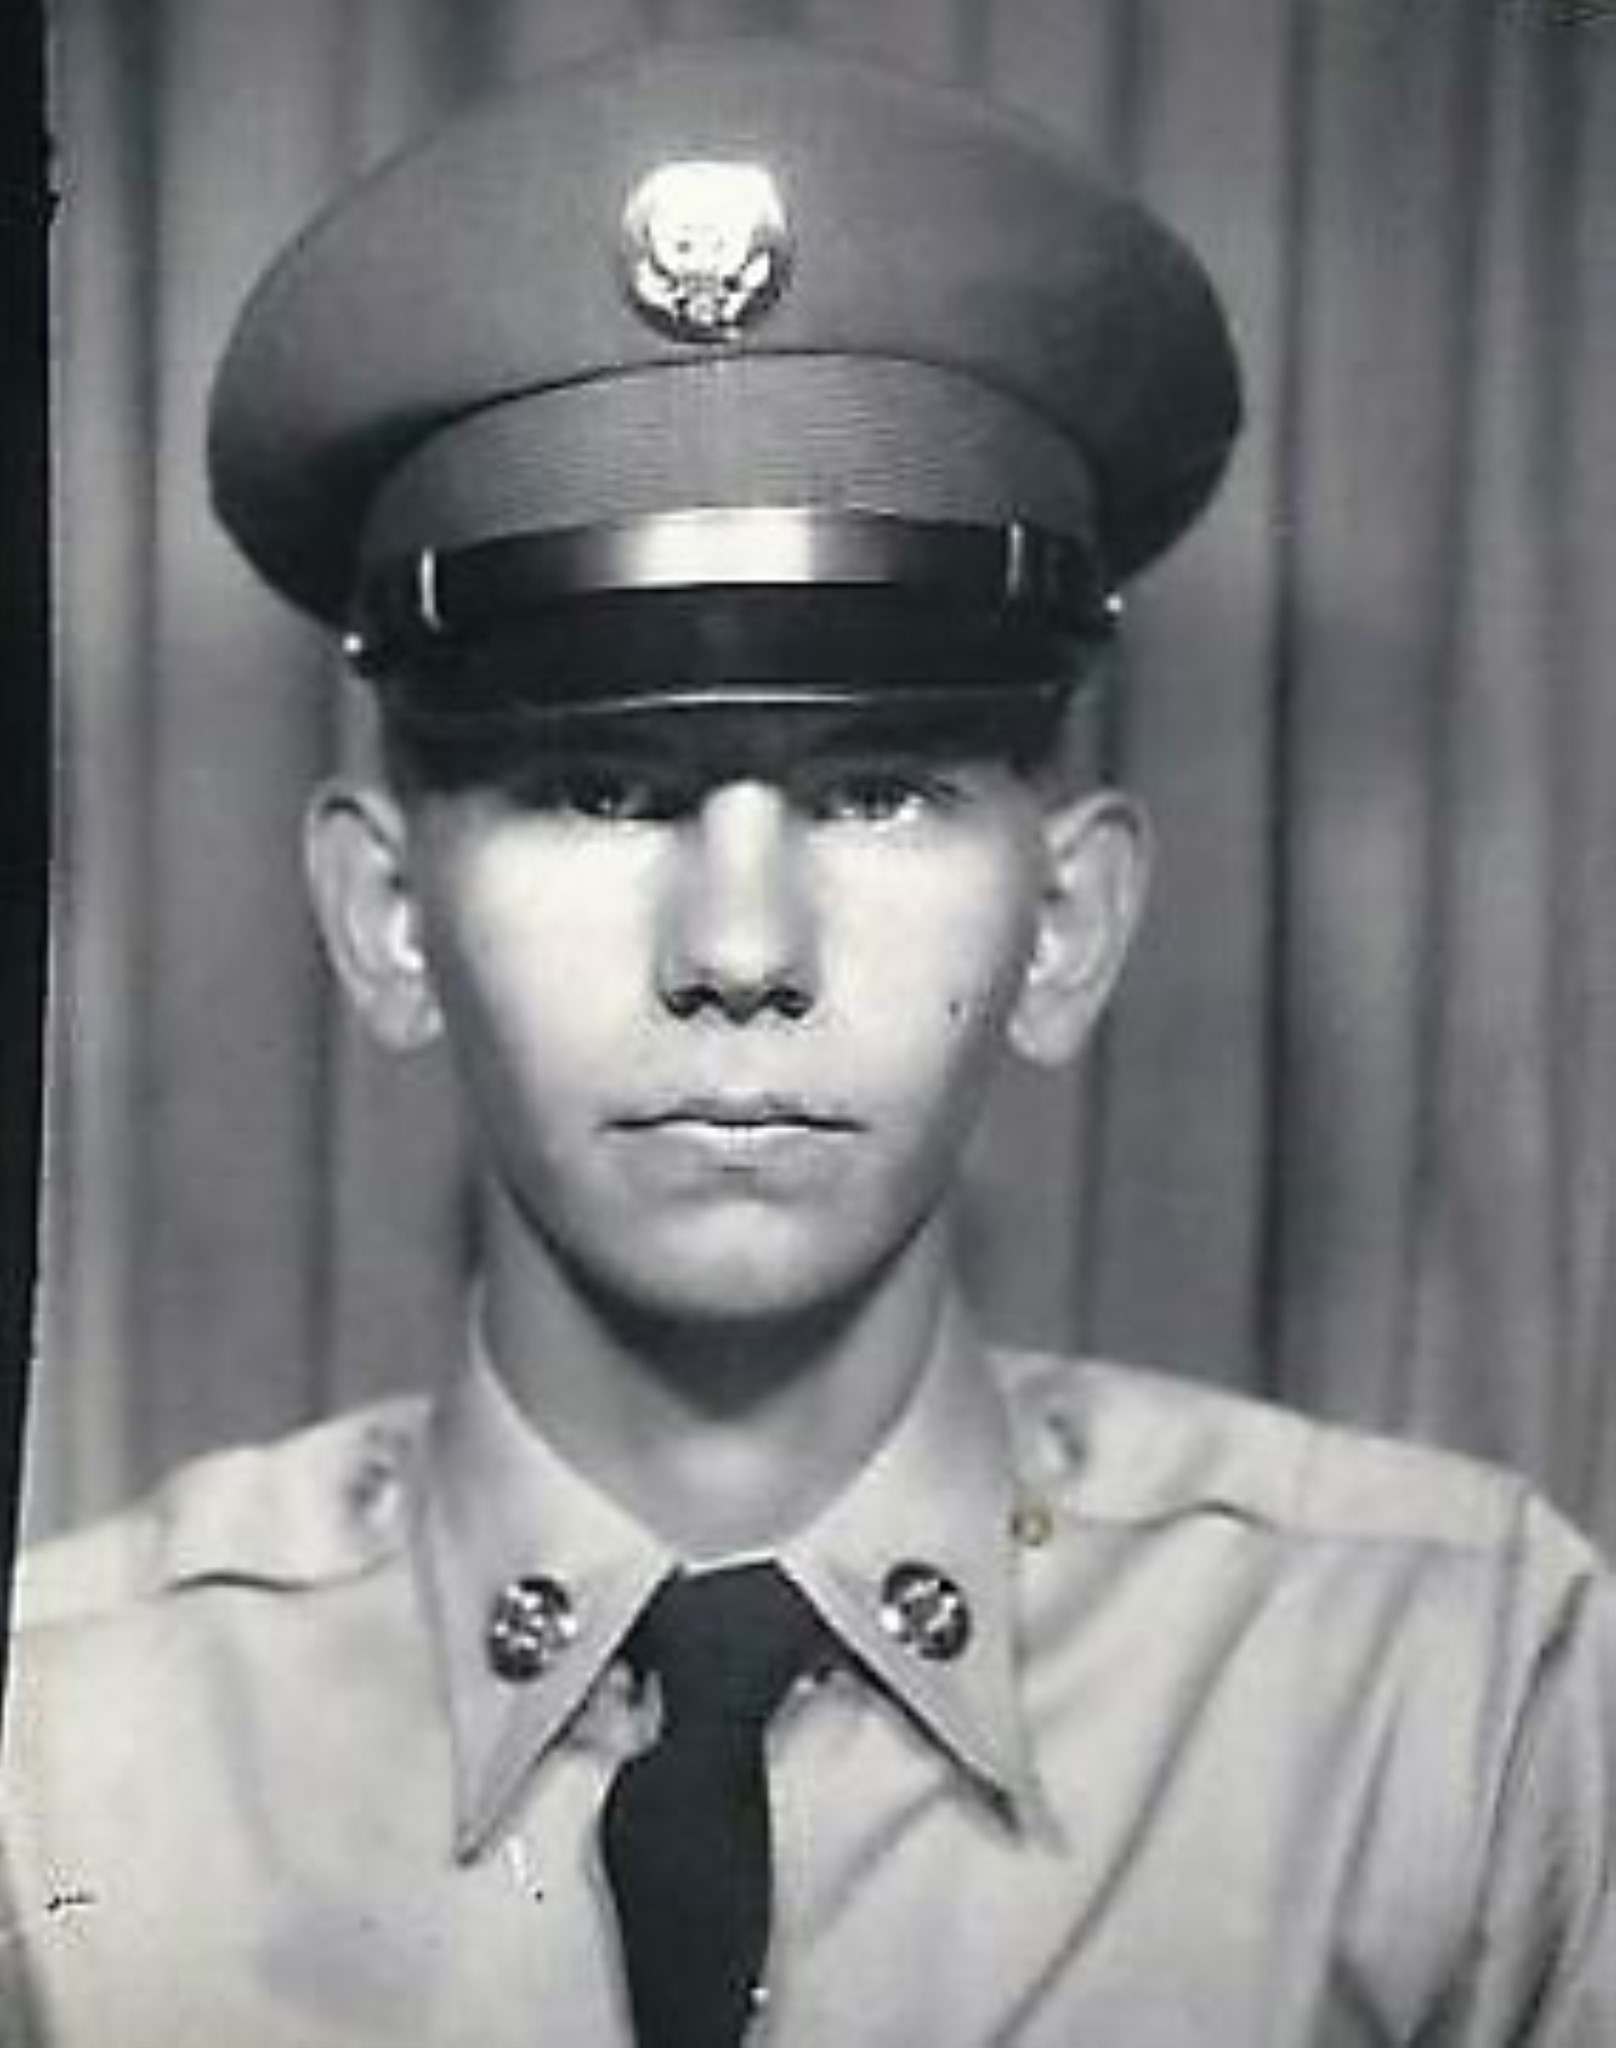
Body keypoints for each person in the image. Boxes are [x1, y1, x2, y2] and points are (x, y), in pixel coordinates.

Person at [2, 36, 1610, 2048]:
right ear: (386, 919)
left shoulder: (1458, 1713)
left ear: (1069, 925)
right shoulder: (53, 1773)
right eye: (600, 791)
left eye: (877, 793)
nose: (742, 951)